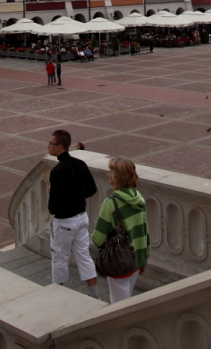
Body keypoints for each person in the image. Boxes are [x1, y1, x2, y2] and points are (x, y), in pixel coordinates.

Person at [92, 157, 150, 304]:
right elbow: (145, 231)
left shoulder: (110, 204)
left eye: (111, 172)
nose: (108, 174)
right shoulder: (139, 199)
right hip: (137, 258)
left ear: (119, 176)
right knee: (127, 295)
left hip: (120, 260)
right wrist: (143, 258)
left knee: (119, 304)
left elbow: (97, 238)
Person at [46, 130, 98, 292]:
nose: (48, 146)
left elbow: (53, 205)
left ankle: (57, 294)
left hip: (64, 221)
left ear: (59, 147)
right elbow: (92, 189)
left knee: (59, 259)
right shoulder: (80, 164)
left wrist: (59, 207)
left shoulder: (57, 171)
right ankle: (94, 294)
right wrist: (78, 197)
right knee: (84, 256)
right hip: (81, 217)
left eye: (51, 143)